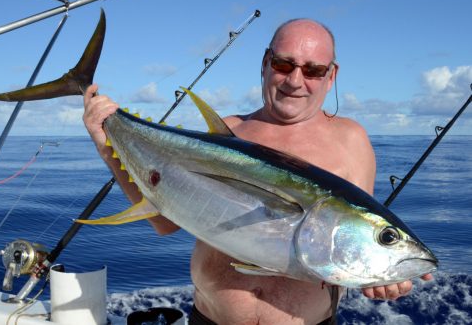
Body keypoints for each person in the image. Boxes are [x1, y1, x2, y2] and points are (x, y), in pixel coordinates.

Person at [83, 19, 432, 325]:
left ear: (331, 75)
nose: (296, 80)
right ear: (266, 63)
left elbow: (346, 243)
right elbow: (164, 221)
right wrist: (105, 140)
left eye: (312, 70)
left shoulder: (350, 141)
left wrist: (379, 274)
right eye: (284, 64)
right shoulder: (229, 132)